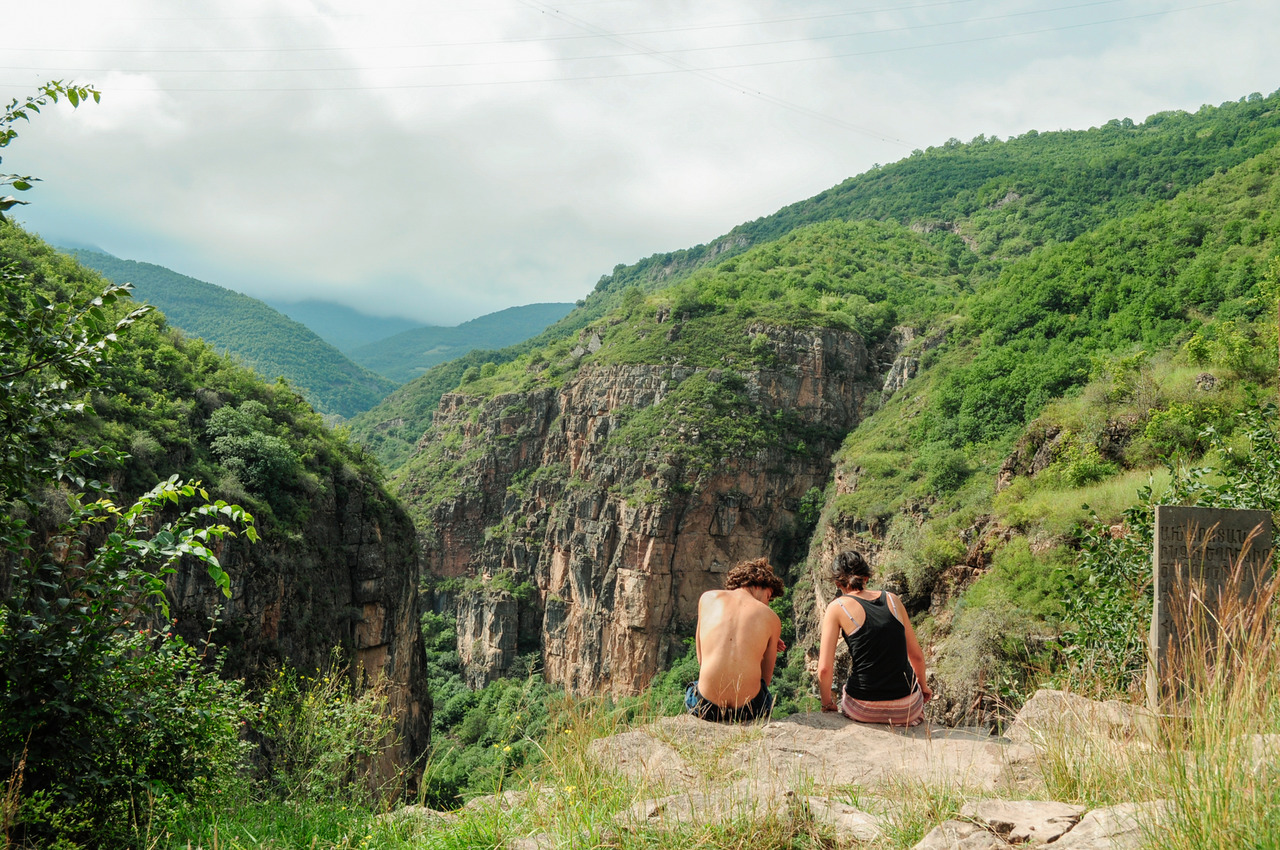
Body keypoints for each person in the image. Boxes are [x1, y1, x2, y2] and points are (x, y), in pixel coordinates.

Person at [816, 550, 932, 726]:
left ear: (837, 583)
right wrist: (923, 688)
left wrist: (827, 704)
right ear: (866, 578)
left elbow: (824, 669)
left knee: (847, 690)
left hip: (863, 709)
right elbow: (916, 656)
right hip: (907, 709)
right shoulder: (893, 600)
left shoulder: (836, 608)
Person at [685, 557, 786, 722]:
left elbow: (701, 659)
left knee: (693, 687)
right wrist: (764, 644)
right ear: (761, 584)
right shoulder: (772, 619)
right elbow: (764, 681)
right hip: (749, 711)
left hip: (706, 707)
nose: (767, 604)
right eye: (769, 597)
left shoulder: (707, 598)